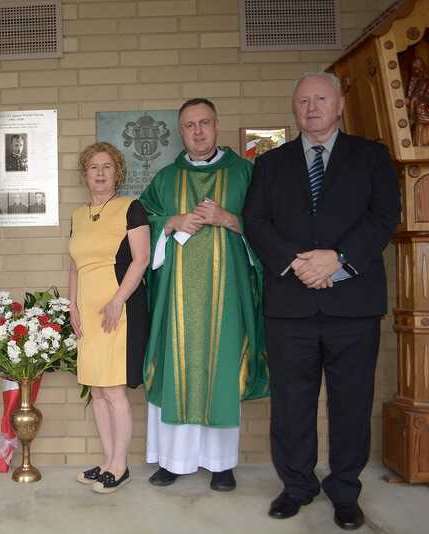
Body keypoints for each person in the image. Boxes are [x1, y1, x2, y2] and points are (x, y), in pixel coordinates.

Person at [243, 73, 400, 530]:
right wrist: (298, 265)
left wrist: (339, 259)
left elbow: (386, 215)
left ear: (339, 105)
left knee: (351, 402)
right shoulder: (270, 164)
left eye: (321, 99)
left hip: (353, 303)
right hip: (290, 305)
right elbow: (255, 221)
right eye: (303, 100)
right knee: (291, 404)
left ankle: (345, 491)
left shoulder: (371, 157)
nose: (311, 107)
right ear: (294, 109)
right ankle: (296, 486)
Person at [140, 98, 269, 493]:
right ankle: (173, 461)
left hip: (227, 297)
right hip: (174, 299)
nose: (197, 132)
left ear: (217, 125)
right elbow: (140, 223)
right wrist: (171, 222)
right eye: (189, 126)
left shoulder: (245, 174)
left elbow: (271, 225)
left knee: (222, 369)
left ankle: (221, 464)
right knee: (175, 368)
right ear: (181, 132)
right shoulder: (164, 179)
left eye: (204, 123)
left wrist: (229, 220)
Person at [69, 142, 150, 493]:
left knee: (114, 390)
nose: (100, 173)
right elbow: (74, 264)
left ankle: (120, 465)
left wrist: (118, 301)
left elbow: (141, 259)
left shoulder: (131, 208)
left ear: (117, 172)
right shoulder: (77, 215)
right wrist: (72, 304)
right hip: (87, 311)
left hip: (120, 309)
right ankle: (106, 460)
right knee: (97, 391)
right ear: (85, 174)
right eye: (93, 167)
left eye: (107, 166)